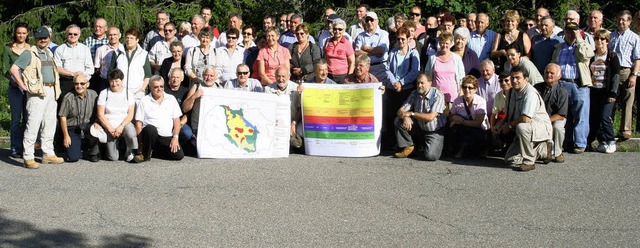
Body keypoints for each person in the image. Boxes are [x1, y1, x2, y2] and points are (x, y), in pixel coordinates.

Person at [9, 26, 65, 168]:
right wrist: (23, 85)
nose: (43, 40)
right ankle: (28, 157)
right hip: (36, 94)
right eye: (40, 37)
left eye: (45, 37)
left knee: (50, 123)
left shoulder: (49, 53)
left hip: (51, 91)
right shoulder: (29, 53)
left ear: (49, 38)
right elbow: (14, 69)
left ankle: (48, 154)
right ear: (35, 39)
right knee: (33, 124)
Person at [551, 22, 595, 153]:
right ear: (564, 32)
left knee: (581, 115)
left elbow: (586, 55)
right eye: (568, 31)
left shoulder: (583, 46)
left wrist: (579, 38)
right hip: (562, 83)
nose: (570, 34)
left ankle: (580, 143)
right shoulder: (558, 47)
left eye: (573, 31)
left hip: (578, 84)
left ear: (578, 32)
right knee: (565, 115)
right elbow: (554, 64)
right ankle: (567, 142)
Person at [498, 67, 552, 171]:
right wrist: (498, 126)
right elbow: (508, 115)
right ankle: (542, 150)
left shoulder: (530, 93)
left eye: (518, 78)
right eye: (512, 78)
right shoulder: (510, 92)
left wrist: (509, 126)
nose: (514, 81)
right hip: (523, 128)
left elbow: (526, 118)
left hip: (539, 127)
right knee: (510, 160)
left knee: (522, 127)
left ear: (526, 79)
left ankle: (529, 161)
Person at [393, 74, 447, 161]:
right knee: (398, 120)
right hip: (420, 127)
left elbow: (430, 117)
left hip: (434, 131)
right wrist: (406, 117)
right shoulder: (414, 93)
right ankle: (409, 146)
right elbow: (400, 111)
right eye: (418, 83)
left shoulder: (438, 95)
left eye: (422, 83)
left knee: (431, 156)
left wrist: (411, 114)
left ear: (430, 83)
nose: (419, 86)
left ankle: (422, 147)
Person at [133, 76, 184, 162]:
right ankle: (145, 154)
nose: (159, 89)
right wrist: (140, 143)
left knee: (179, 155)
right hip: (150, 135)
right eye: (156, 87)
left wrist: (175, 137)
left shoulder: (171, 99)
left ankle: (154, 152)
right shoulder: (144, 100)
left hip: (166, 135)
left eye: (161, 86)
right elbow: (138, 123)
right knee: (150, 129)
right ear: (150, 88)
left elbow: (177, 121)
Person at [609, 10, 640, 141]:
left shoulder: (635, 37)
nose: (621, 22)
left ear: (629, 22)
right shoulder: (611, 36)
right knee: (611, 100)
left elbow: (638, 58)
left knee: (628, 100)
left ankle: (625, 130)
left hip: (627, 71)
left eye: (624, 20)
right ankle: (608, 129)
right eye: (619, 19)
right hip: (612, 71)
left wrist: (634, 75)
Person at [588, 30, 621, 153]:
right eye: (597, 39)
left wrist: (613, 93)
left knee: (605, 117)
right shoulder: (592, 56)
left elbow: (616, 76)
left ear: (607, 41)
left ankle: (611, 141)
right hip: (594, 90)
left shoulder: (612, 56)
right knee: (595, 118)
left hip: (607, 92)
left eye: (602, 39)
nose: (599, 41)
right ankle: (602, 141)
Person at [96, 69, 138, 161]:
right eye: (112, 81)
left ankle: (130, 151)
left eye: (116, 81)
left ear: (122, 81)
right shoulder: (104, 93)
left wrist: (121, 126)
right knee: (113, 157)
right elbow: (100, 115)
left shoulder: (128, 94)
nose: (114, 84)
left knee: (131, 132)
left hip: (124, 123)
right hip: (109, 124)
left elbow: (130, 114)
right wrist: (110, 128)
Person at [2, 22, 30, 158]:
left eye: (24, 33)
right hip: (14, 89)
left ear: (27, 34)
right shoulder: (8, 49)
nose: (21, 35)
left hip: (29, 88)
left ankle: (26, 147)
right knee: (15, 119)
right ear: (15, 33)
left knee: (27, 118)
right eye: (19, 33)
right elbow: (4, 68)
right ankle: (15, 148)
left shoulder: (31, 48)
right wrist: (12, 81)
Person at [58, 74, 100, 162]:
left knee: (96, 129)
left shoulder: (93, 94)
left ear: (87, 84)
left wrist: (97, 122)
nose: (79, 86)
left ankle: (93, 153)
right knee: (73, 158)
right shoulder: (68, 97)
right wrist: (66, 136)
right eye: (76, 84)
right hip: (73, 127)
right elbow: (62, 117)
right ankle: (78, 149)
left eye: (82, 83)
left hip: (88, 125)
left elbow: (99, 112)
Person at [534, 63, 569, 163]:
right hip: (539, 118)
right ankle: (539, 152)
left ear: (559, 76)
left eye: (552, 73)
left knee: (557, 127)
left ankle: (558, 153)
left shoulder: (562, 92)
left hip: (556, 118)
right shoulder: (537, 88)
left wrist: (546, 121)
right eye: (547, 72)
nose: (549, 75)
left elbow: (561, 115)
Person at [448, 75, 489, 158]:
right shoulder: (457, 101)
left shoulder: (481, 102)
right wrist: (454, 118)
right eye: (464, 87)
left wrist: (461, 121)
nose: (467, 90)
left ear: (475, 89)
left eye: (470, 88)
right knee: (454, 127)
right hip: (463, 129)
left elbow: (478, 123)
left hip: (479, 130)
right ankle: (457, 149)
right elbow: (451, 117)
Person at [182, 66, 224, 145]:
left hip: (214, 127)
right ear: (203, 75)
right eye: (206, 75)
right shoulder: (196, 87)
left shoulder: (220, 89)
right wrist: (194, 96)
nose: (208, 78)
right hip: (198, 127)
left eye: (211, 76)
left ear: (215, 77)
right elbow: (185, 108)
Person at [110, 28, 152, 102]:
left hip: (137, 94)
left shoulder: (143, 54)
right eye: (127, 37)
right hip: (120, 92)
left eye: (132, 38)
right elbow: (111, 71)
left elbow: (148, 75)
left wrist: (142, 88)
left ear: (137, 40)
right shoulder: (117, 52)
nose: (129, 40)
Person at [54, 24, 94, 103]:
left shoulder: (85, 49)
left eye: (75, 34)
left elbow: (90, 69)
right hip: (66, 82)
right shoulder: (60, 49)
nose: (73, 36)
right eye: (70, 34)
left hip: (82, 83)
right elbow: (57, 68)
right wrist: (72, 74)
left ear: (79, 35)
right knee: (64, 106)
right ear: (66, 34)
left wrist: (83, 80)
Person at [354, 11, 395, 86]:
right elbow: (357, 53)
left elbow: (381, 51)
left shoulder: (384, 34)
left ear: (377, 21)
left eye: (371, 20)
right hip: (364, 69)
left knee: (381, 93)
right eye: (367, 20)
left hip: (380, 68)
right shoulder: (360, 36)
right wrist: (374, 51)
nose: (369, 22)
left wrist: (365, 48)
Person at [424, 32, 465, 105]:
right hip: (436, 96)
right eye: (442, 43)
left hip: (453, 96)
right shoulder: (433, 58)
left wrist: (461, 91)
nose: (444, 45)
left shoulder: (456, 58)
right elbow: (427, 76)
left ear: (451, 43)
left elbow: (462, 77)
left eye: (447, 43)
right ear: (439, 43)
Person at [267, 67, 302, 149]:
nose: (281, 79)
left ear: (289, 76)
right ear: (275, 76)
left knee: (298, 141)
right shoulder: (268, 90)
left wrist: (293, 123)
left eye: (283, 76)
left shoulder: (296, 89)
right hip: (276, 123)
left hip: (294, 121)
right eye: (278, 76)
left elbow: (300, 109)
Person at [164, 68, 191, 146]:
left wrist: (180, 124)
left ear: (182, 79)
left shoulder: (186, 92)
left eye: (178, 77)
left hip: (180, 122)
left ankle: (179, 146)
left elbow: (188, 113)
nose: (175, 79)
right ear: (169, 77)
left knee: (187, 133)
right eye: (173, 77)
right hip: (165, 121)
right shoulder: (163, 90)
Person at [324, 19, 354, 83]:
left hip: (342, 76)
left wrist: (349, 77)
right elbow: (324, 57)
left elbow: (352, 62)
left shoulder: (347, 43)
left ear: (344, 30)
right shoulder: (327, 42)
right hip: (328, 74)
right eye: (335, 29)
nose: (337, 31)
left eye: (340, 29)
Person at [93, 26, 122, 93]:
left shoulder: (124, 49)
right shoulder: (100, 50)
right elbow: (97, 68)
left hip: (120, 82)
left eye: (115, 34)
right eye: (110, 35)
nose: (112, 37)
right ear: (107, 36)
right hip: (104, 82)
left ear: (120, 35)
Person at [489, 73, 512, 151]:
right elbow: (494, 113)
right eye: (501, 81)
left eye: (506, 80)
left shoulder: (516, 94)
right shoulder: (498, 95)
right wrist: (492, 129)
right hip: (501, 120)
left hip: (511, 121)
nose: (503, 83)